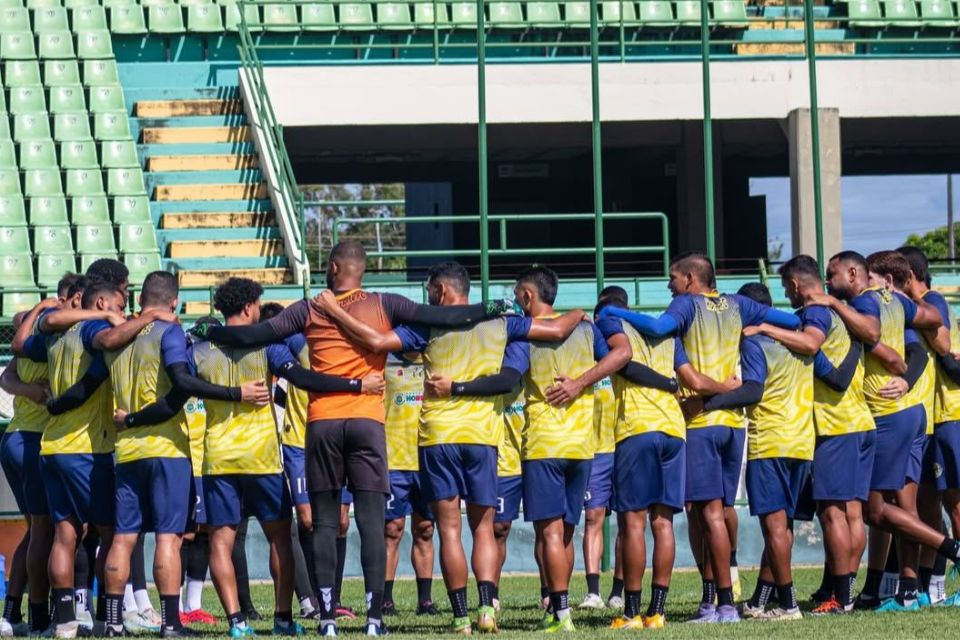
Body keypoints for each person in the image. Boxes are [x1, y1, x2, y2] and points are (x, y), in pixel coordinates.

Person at [197, 242, 513, 637]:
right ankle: (374, 620)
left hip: (324, 423)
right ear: (361, 270)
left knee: (326, 522)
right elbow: (444, 316)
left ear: (332, 267)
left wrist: (209, 330)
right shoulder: (385, 303)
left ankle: (327, 617)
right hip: (367, 421)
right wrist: (491, 308)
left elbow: (253, 335)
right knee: (370, 521)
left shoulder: (310, 307)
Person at [313, 261, 587, 634]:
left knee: (450, 530)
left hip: (438, 437)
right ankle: (486, 608)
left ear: (440, 291)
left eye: (428, 291)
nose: (426, 298)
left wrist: (331, 309)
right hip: (482, 438)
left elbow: (375, 341)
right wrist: (583, 310)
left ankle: (460, 617)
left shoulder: (428, 324)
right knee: (484, 528)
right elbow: (556, 327)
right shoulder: (502, 322)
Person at [139, 277, 383, 637]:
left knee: (221, 541)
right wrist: (355, 385)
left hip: (217, 458)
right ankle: (283, 619)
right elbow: (303, 378)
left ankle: (237, 622)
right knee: (280, 539)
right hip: (261, 458)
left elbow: (179, 392)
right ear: (251, 306)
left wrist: (133, 420)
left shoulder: (200, 347)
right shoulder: (267, 346)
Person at [599, 253, 802, 624]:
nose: (669, 285)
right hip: (734, 423)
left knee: (706, 515)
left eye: (673, 277)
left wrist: (614, 314)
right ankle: (714, 601)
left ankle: (722, 604)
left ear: (691, 279)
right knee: (714, 513)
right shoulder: (740, 305)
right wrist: (766, 329)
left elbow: (659, 329)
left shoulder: (687, 304)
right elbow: (792, 320)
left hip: (701, 418)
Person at [810, 250, 960, 611]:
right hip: (911, 414)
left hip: (889, 415)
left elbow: (898, 338)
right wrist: (903, 373)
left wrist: (895, 368)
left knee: (877, 511)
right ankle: (905, 589)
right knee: (903, 506)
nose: (829, 282)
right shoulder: (897, 303)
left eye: (832, 275)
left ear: (855, 274)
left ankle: (949, 550)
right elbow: (928, 328)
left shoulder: (866, 304)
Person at [748, 255, 872, 615]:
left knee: (833, 514)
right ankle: (838, 593)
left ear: (796, 285)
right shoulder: (840, 313)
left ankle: (842, 597)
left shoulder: (816, 312)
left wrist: (765, 330)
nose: (787, 294)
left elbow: (812, 346)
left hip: (834, 424)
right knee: (849, 513)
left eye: (786, 288)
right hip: (853, 420)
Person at [11, 279, 128, 638]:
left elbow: (21, 344)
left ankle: (63, 622)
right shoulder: (93, 328)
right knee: (111, 534)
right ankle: (111, 620)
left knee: (64, 534)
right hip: (86, 448)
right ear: (103, 302)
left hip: (52, 446)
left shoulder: (54, 336)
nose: (121, 314)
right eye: (120, 305)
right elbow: (109, 341)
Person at [693, 282, 815, 621]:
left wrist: (708, 402)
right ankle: (761, 600)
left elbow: (753, 391)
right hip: (803, 442)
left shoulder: (754, 342)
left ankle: (789, 605)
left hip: (771, 441)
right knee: (783, 527)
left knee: (773, 528)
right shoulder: (800, 343)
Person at [0, 274, 85, 636]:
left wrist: (27, 389)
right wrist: (36, 392)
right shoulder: (58, 335)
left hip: (15, 437)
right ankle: (37, 617)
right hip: (36, 439)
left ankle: (14, 611)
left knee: (36, 529)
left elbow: (7, 376)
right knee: (44, 531)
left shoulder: (31, 326)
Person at [594, 295, 682, 630]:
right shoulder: (667, 332)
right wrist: (670, 385)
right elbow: (684, 372)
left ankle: (630, 612)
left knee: (633, 523)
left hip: (637, 428)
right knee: (664, 524)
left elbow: (623, 362)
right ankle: (657, 612)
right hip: (674, 430)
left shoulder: (609, 323)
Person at [898, 246, 951, 606]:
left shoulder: (932, 301)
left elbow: (944, 343)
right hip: (930, 416)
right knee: (929, 503)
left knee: (952, 504)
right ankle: (931, 586)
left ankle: (937, 582)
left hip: (949, 414)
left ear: (907, 278)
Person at [579, 286, 629, 612]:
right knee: (594, 516)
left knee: (628, 521)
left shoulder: (632, 353)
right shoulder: (587, 354)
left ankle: (619, 591)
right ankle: (594, 590)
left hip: (626, 444)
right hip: (596, 449)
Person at [381, 355, 438, 617]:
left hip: (427, 459)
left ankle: (425, 601)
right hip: (394, 460)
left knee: (425, 529)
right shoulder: (386, 361)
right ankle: (385, 599)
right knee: (392, 529)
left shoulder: (435, 358)